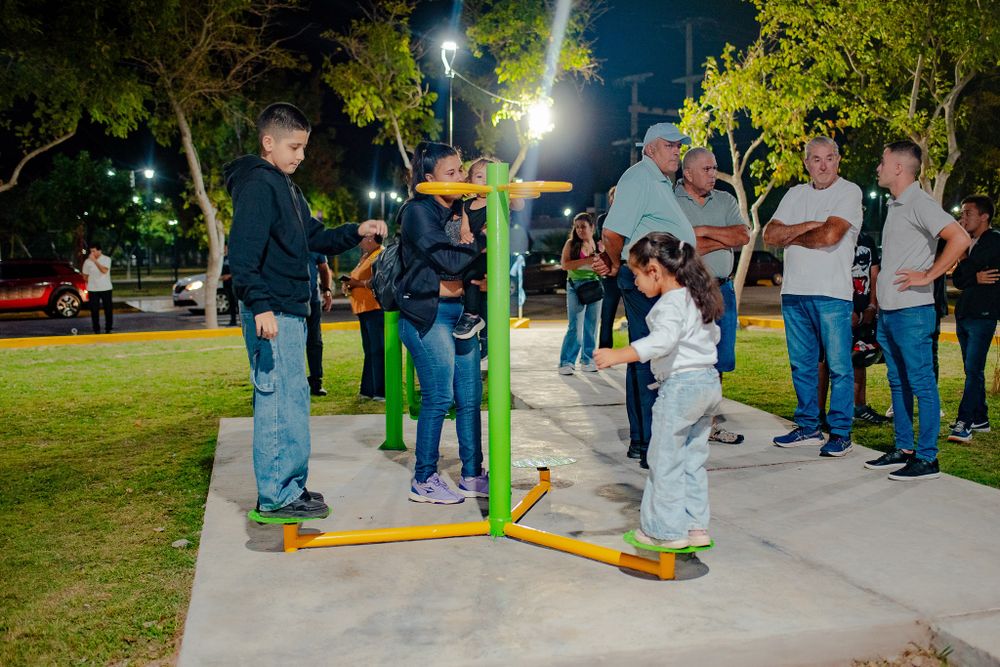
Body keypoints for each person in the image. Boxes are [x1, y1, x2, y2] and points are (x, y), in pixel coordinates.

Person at [226, 102, 386, 520]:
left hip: (291, 310)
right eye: (294, 146)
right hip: (273, 311)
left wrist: (357, 231)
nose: (300, 155)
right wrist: (259, 306)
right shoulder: (259, 186)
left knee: (293, 400)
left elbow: (315, 237)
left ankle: (290, 487)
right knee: (277, 401)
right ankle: (276, 496)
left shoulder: (287, 188)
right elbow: (242, 254)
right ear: (268, 142)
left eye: (303, 147)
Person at [594, 232, 723, 549]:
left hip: (681, 389)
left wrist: (618, 355)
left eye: (637, 274)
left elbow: (661, 342)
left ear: (654, 270)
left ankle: (664, 530)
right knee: (692, 460)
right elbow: (713, 337)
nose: (635, 283)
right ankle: (695, 525)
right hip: (708, 384)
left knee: (663, 459)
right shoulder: (697, 297)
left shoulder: (670, 304)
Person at [863, 140, 970, 480]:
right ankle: (905, 448)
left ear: (898, 167)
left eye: (883, 161)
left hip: (913, 312)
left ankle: (928, 458)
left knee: (922, 384)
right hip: (892, 313)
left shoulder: (919, 201)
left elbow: (960, 238)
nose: (878, 167)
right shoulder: (897, 204)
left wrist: (929, 275)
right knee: (898, 383)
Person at [593, 122, 696, 468]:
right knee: (653, 358)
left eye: (679, 147)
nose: (677, 153)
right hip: (647, 282)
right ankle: (651, 443)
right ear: (651, 148)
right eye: (671, 146)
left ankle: (644, 440)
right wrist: (614, 260)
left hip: (660, 280)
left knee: (649, 358)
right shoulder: (640, 177)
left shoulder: (657, 181)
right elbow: (612, 230)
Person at [397, 141, 488, 504]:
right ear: (429, 178)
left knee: (469, 396)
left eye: (461, 170)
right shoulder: (417, 211)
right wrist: (479, 243)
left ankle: (471, 473)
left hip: (461, 313)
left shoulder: (460, 210)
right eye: (451, 173)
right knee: (439, 397)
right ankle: (424, 478)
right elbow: (450, 261)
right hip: (427, 314)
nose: (461, 177)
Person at [762, 136, 862, 457]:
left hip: (832, 293)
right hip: (793, 292)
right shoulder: (795, 194)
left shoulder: (849, 191)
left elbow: (830, 236)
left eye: (829, 158)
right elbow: (770, 235)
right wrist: (808, 226)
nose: (823, 165)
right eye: (815, 159)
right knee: (801, 365)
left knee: (839, 366)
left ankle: (841, 432)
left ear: (838, 160)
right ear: (806, 163)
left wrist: (792, 234)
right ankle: (808, 426)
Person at [674, 147, 751, 445]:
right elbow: (678, 247)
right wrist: (720, 238)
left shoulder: (726, 200)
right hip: (686, 292)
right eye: (706, 169)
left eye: (715, 168)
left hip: (723, 290)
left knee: (718, 361)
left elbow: (743, 236)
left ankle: (710, 424)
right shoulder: (672, 200)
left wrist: (702, 231)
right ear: (688, 173)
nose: (713, 174)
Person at [452, 156, 524, 340]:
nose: (485, 181)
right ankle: (479, 327)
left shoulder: (500, 199)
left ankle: (473, 317)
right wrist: (466, 234)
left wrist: (506, 186)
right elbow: (465, 228)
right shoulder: (466, 205)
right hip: (474, 253)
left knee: (484, 288)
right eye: (479, 176)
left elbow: (520, 204)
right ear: (469, 181)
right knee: (472, 283)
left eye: (490, 176)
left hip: (493, 256)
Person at [948, 195, 998, 443]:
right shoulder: (970, 242)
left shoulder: (994, 241)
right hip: (965, 313)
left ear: (984, 216)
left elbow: (964, 271)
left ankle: (964, 422)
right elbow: (958, 279)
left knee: (974, 370)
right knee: (971, 369)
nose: (962, 218)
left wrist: (965, 262)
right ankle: (981, 418)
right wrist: (971, 274)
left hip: (983, 315)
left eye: (968, 213)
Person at [558, 212, 602, 374]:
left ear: (592, 227)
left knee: (592, 326)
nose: (580, 230)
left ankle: (588, 360)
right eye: (577, 227)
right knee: (575, 326)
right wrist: (587, 260)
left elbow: (604, 267)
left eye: (583, 227)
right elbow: (565, 265)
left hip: (594, 285)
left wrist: (602, 257)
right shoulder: (571, 244)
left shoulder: (598, 244)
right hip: (575, 286)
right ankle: (566, 362)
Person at [344, 233, 386, 401]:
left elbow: (378, 280)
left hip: (375, 308)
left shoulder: (380, 255)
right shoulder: (366, 256)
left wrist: (357, 284)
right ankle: (368, 389)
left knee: (377, 350)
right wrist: (349, 284)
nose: (359, 241)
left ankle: (381, 391)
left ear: (371, 239)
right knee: (369, 350)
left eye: (362, 238)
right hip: (363, 308)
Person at [596, 186, 622, 349]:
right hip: (610, 274)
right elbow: (603, 242)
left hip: (627, 270)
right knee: (607, 314)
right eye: (613, 197)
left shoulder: (631, 217)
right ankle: (605, 348)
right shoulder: (603, 219)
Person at [306, 252, 334, 397]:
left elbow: (324, 268)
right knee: (291, 342)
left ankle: (316, 382)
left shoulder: (316, 240)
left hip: (313, 300)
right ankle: (293, 382)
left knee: (315, 341)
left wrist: (327, 290)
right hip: (291, 301)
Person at [82, 242, 113, 334]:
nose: (92, 254)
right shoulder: (87, 262)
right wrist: (91, 281)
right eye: (91, 251)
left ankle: (108, 328)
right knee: (94, 310)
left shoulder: (106, 259)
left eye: (94, 251)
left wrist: (95, 261)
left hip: (106, 288)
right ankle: (96, 329)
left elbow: (104, 270)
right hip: (93, 289)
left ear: (99, 251)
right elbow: (85, 276)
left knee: (108, 309)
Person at [221, 244, 238, 326]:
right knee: (231, 303)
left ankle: (241, 322)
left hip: (233, 283)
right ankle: (233, 321)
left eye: (226, 247)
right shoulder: (223, 259)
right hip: (226, 284)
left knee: (236, 303)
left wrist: (229, 276)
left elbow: (237, 270)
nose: (224, 249)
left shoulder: (234, 257)